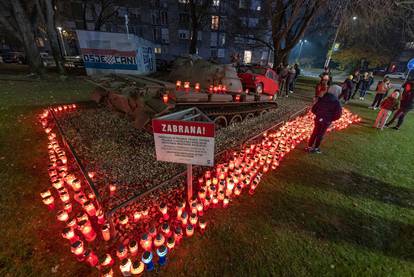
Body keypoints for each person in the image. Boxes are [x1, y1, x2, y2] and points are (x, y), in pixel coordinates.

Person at [306, 85, 343, 154]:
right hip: (326, 121)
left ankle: (309, 146)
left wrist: (318, 115)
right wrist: (331, 119)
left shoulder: (322, 98)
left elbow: (314, 109)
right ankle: (316, 148)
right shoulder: (336, 102)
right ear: (337, 92)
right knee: (321, 133)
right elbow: (338, 114)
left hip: (318, 119)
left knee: (315, 132)